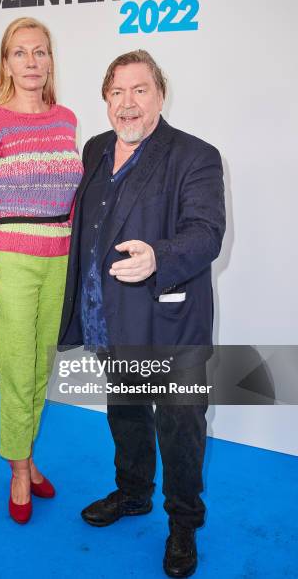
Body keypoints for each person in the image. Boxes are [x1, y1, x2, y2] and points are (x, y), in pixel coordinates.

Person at [58, 50, 225, 576]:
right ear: (105, 100)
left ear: (160, 94)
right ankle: (132, 494)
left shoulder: (195, 156)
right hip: (110, 317)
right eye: (117, 92)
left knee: (180, 427)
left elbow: (206, 233)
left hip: (169, 323)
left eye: (140, 90)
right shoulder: (94, 149)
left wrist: (160, 257)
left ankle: (183, 523)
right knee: (125, 412)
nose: (127, 104)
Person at [0, 17, 83, 524]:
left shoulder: (67, 119)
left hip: (60, 259)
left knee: (41, 369)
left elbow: (74, 197)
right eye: (20, 52)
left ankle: (26, 455)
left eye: (40, 52)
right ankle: (17, 470)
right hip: (10, 260)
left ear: (51, 60)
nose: (32, 62)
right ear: (6, 62)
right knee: (16, 372)